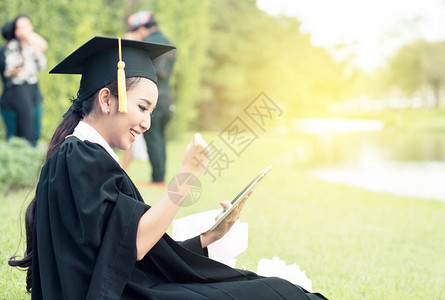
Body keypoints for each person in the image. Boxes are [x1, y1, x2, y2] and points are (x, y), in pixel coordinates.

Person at [8, 36, 327, 299]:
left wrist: (209, 236)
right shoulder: (82, 158)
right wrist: (186, 176)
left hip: (118, 288)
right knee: (274, 293)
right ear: (107, 100)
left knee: (267, 289)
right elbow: (134, 246)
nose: (147, 122)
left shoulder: (79, 155)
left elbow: (120, 252)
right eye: (142, 107)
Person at [125, 11, 176, 187]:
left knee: (153, 139)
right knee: (160, 139)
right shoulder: (168, 42)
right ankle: (159, 177)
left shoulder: (150, 43)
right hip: (167, 99)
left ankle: (157, 180)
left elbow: (152, 71)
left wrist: (130, 45)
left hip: (154, 99)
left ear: (142, 28)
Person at [2, 15, 47, 145]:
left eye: (26, 26)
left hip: (33, 89)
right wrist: (15, 71)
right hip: (18, 90)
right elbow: (8, 72)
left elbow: (42, 64)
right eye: (20, 27)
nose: (24, 30)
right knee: (24, 131)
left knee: (35, 126)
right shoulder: (11, 47)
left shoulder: (32, 45)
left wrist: (32, 39)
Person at [0, 21, 14, 139]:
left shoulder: (2, 50)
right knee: (13, 136)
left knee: (11, 135)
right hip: (11, 100)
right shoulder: (8, 51)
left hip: (7, 99)